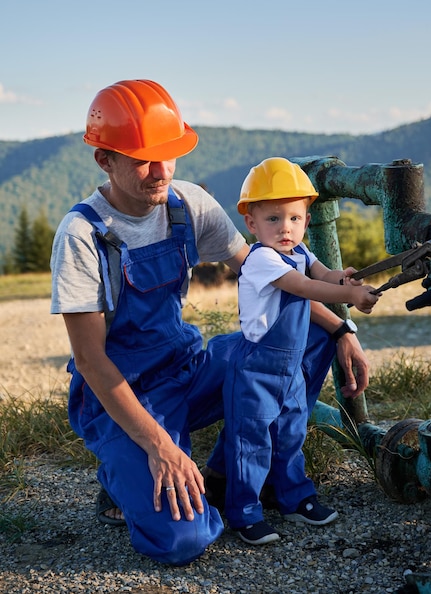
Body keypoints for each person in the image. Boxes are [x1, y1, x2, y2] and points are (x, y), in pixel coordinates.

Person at [50, 79, 374, 566]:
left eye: (167, 154)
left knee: (308, 334)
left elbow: (272, 276)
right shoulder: (82, 235)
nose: (160, 172)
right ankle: (127, 476)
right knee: (183, 540)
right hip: (121, 392)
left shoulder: (187, 205)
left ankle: (229, 472)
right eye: (142, 159)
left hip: (190, 368)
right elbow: (92, 362)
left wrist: (342, 329)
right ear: (105, 160)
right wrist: (160, 447)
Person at [205, 157, 379, 545]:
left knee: (290, 434)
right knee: (251, 441)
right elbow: (306, 288)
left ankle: (294, 498)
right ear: (251, 223)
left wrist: (346, 277)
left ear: (305, 219)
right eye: (274, 219)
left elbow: (323, 275)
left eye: (295, 219)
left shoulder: (299, 253)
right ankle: (244, 512)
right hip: (256, 367)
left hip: (289, 368)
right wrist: (349, 295)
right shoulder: (263, 259)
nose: (286, 228)